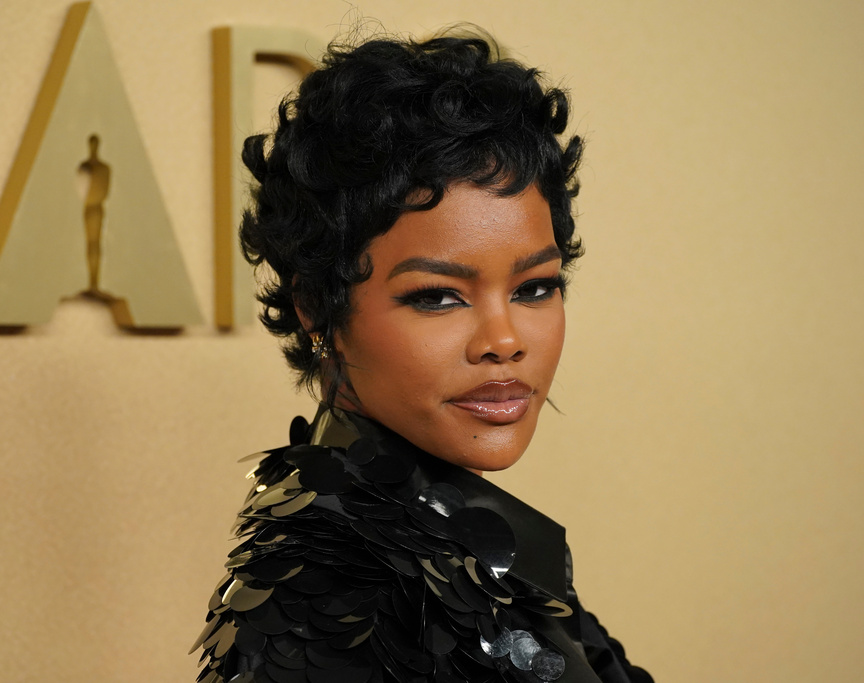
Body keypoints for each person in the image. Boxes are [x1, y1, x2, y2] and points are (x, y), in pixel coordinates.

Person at [192, 32, 653, 683]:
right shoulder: (336, 607)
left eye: (535, 287)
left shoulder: (441, 535)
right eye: (438, 296)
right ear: (318, 306)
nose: (504, 338)